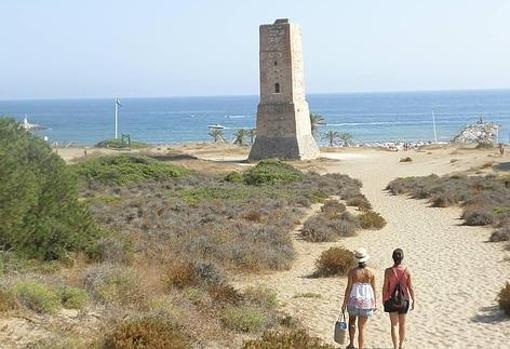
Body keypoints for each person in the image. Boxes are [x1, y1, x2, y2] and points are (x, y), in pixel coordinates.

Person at [341, 248, 377, 349]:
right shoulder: (371, 272)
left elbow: (348, 288)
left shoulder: (352, 272)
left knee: (352, 322)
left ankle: (352, 344)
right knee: (362, 327)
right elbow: (374, 289)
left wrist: (344, 303)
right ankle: (361, 347)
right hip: (367, 302)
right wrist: (375, 303)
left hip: (354, 300)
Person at [383, 248, 415, 349]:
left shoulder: (388, 271)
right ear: (402, 258)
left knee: (394, 325)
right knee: (402, 324)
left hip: (391, 300)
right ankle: (401, 346)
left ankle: (395, 347)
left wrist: (384, 299)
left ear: (392, 258)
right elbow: (410, 287)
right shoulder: (407, 270)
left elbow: (385, 287)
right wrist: (414, 300)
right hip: (404, 300)